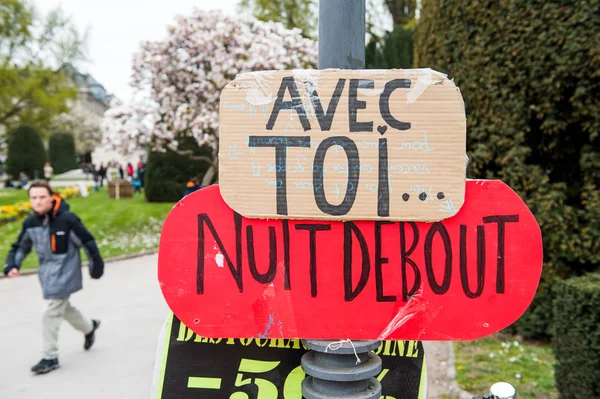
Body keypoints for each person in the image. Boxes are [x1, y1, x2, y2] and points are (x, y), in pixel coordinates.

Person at [3, 181, 104, 375]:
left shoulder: (67, 220)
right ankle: (89, 327)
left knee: (49, 312)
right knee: (63, 308)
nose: (38, 201)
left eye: (42, 197)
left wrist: (96, 267)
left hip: (66, 274)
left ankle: (49, 357)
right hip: (47, 275)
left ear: (51, 197)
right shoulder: (30, 223)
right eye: (33, 198)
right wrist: (12, 264)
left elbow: (87, 242)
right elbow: (20, 246)